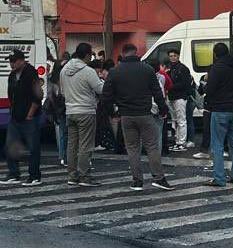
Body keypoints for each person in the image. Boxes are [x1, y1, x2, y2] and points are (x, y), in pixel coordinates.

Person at [100, 43, 174, 191]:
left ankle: (137, 181)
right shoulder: (146, 70)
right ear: (136, 53)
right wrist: (163, 109)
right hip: (145, 114)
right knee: (152, 146)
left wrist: (112, 113)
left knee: (133, 148)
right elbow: (157, 92)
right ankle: (159, 178)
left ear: (123, 53)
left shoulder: (115, 72)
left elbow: (106, 96)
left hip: (126, 115)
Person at [60, 42, 104, 187]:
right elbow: (100, 89)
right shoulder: (88, 71)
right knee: (85, 145)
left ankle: (72, 176)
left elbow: (62, 91)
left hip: (70, 111)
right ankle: (84, 176)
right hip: (86, 111)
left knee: (72, 146)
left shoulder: (64, 70)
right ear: (86, 55)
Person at [0, 49, 43, 186]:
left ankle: (34, 175)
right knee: (10, 145)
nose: (12, 64)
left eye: (14, 61)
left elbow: (37, 96)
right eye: (10, 61)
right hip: (15, 116)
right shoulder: (12, 75)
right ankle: (14, 173)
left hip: (29, 117)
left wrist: (30, 114)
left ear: (21, 60)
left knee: (33, 147)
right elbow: (10, 95)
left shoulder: (31, 73)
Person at [204, 42, 233, 187]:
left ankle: (219, 178)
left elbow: (210, 90)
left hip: (220, 109)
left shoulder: (217, 68)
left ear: (215, 54)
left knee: (217, 145)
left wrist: (207, 96)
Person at [164, 49, 192, 152]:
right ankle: (177, 141)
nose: (172, 58)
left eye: (174, 56)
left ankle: (181, 143)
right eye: (171, 56)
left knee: (181, 120)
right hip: (172, 97)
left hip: (180, 97)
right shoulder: (171, 68)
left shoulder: (183, 68)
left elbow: (186, 83)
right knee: (175, 121)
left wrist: (170, 87)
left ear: (178, 56)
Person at [45, 53, 68, 167]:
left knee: (62, 135)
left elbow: (51, 97)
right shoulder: (63, 81)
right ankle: (64, 156)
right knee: (66, 134)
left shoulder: (54, 82)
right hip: (63, 110)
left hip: (58, 111)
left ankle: (63, 157)